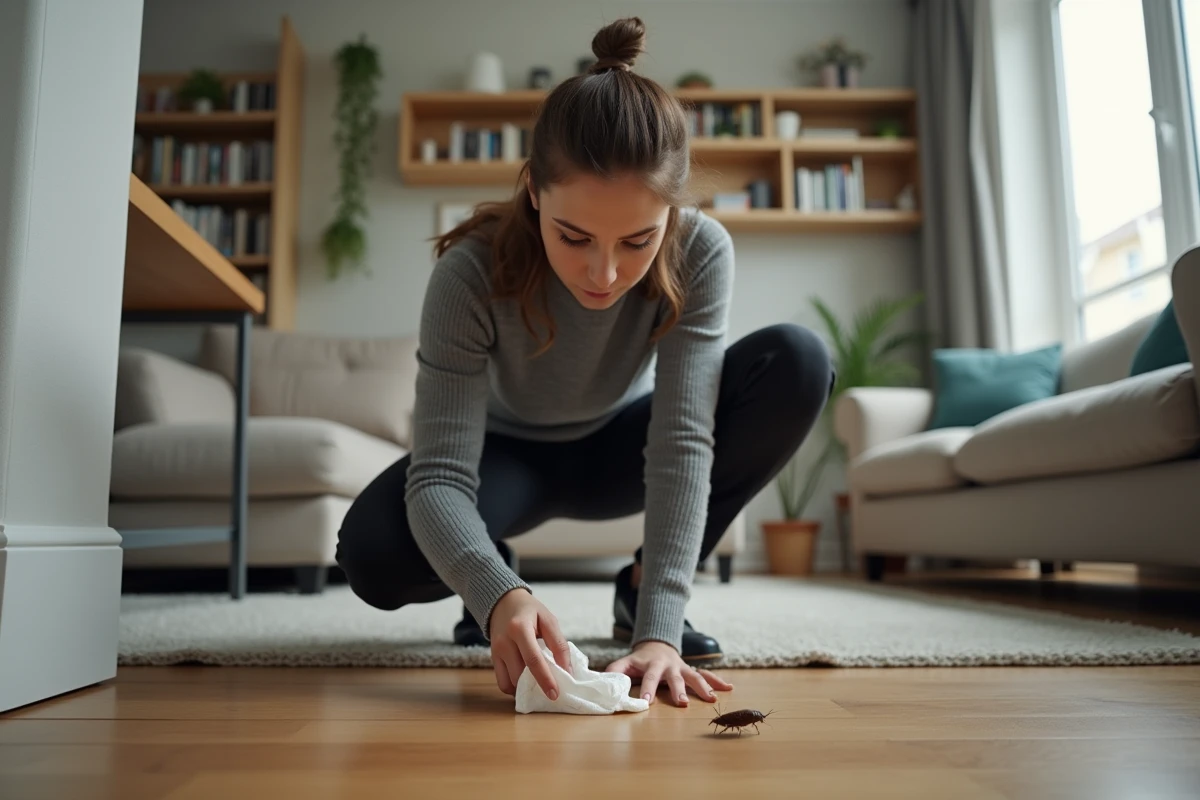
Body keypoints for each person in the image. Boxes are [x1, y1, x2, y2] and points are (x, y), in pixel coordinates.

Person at [335, 16, 834, 709]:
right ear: (535, 191)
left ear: (672, 212)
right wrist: (493, 590)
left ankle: (636, 592)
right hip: (504, 461)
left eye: (637, 240)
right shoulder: (469, 274)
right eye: (574, 237)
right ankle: (497, 565)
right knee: (371, 554)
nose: (604, 273)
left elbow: (683, 440)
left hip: (622, 446)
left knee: (799, 361)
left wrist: (659, 630)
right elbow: (441, 476)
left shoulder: (702, 252)